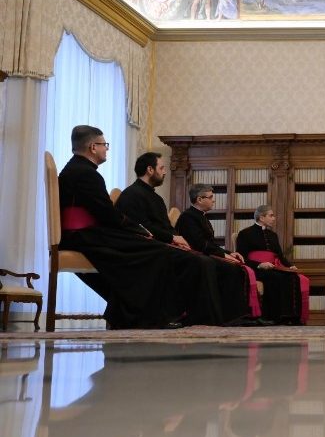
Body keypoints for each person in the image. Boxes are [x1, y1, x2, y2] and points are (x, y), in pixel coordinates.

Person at [57, 125, 224, 329]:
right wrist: (137, 229)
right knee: (156, 252)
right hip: (84, 236)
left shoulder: (78, 169)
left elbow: (104, 212)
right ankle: (144, 315)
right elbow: (107, 214)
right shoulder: (86, 173)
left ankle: (134, 312)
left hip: (85, 234)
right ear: (93, 147)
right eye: (104, 145)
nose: (106, 149)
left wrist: (136, 230)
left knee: (153, 249)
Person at [174, 182, 263, 324]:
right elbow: (199, 244)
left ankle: (244, 315)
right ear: (199, 199)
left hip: (206, 255)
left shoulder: (202, 217)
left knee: (236, 266)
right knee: (231, 269)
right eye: (210, 197)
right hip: (195, 259)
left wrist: (229, 253)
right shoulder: (188, 217)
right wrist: (223, 255)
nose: (213, 200)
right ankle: (231, 317)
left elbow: (211, 244)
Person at [237, 205, 310, 324]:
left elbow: (280, 256)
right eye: (271, 215)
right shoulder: (245, 234)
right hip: (255, 268)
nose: (274, 218)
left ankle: (291, 316)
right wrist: (260, 265)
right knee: (275, 278)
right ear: (261, 217)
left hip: (272, 267)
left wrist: (290, 266)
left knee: (292, 277)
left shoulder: (273, 235)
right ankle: (273, 317)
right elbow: (241, 257)